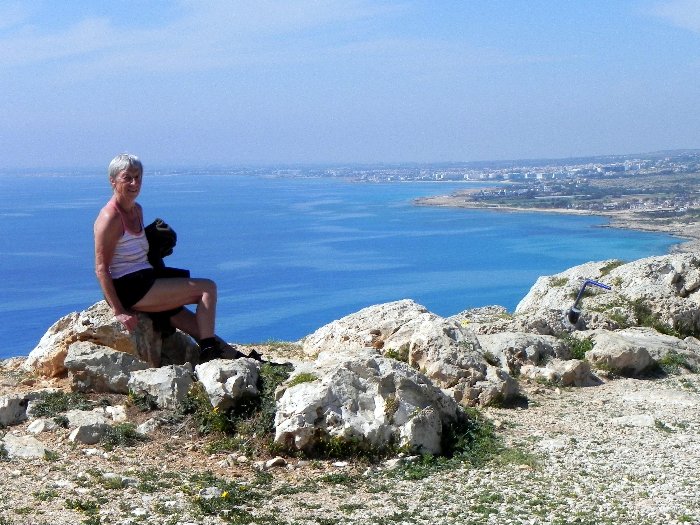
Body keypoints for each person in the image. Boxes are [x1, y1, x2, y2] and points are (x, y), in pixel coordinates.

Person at [94, 153, 229, 362]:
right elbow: (101, 268)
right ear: (112, 181)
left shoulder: (137, 210)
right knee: (207, 288)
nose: (134, 183)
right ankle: (208, 355)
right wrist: (118, 310)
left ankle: (239, 359)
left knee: (201, 328)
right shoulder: (110, 218)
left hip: (149, 279)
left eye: (138, 177)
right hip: (131, 287)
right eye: (127, 178)